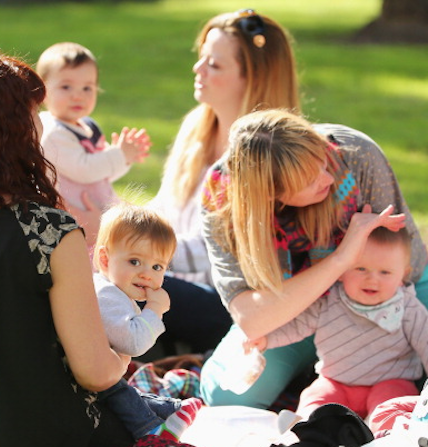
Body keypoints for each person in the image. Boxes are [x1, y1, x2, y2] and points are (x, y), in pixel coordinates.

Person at [0, 50, 175, 447]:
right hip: (42, 433)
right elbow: (95, 372)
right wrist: (124, 353)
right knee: (174, 417)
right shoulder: (45, 230)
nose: (42, 125)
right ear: (17, 129)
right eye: (34, 113)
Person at [199, 109, 428, 410]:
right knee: (229, 397)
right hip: (294, 310)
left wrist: (368, 338)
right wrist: (341, 259)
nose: (328, 178)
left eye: (322, 161)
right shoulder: (222, 198)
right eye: (310, 179)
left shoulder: (355, 154)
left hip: (386, 288)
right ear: (269, 195)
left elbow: (403, 257)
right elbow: (252, 319)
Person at [146, 9, 301, 355]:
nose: (197, 70)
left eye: (214, 65)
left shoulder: (264, 154)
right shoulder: (196, 127)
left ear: (254, 79)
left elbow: (214, 255)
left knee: (128, 285)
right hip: (176, 285)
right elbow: (163, 208)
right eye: (201, 58)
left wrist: (140, 253)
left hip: (227, 302)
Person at [248, 227, 428, 420]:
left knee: (392, 406)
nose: (372, 279)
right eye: (361, 268)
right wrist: (267, 339)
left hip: (391, 380)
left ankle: (386, 436)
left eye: (385, 272)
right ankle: (308, 431)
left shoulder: (407, 308)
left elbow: (425, 341)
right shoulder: (329, 301)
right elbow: (297, 325)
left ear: (403, 276)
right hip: (336, 382)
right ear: (341, 271)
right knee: (315, 398)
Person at [92, 202, 203, 442]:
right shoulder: (107, 295)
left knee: (124, 392)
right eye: (134, 261)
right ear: (104, 259)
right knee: (119, 394)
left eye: (157, 266)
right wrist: (154, 310)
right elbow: (133, 343)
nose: (146, 274)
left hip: (103, 376)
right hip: (91, 381)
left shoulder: (114, 292)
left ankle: (170, 409)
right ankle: (151, 430)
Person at [35, 42, 151, 244]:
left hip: (95, 215)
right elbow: (85, 170)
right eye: (66, 86)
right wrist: (117, 155)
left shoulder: (87, 126)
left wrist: (124, 158)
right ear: (43, 89)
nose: (77, 95)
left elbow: (102, 173)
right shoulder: (54, 133)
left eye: (87, 87)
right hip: (73, 222)